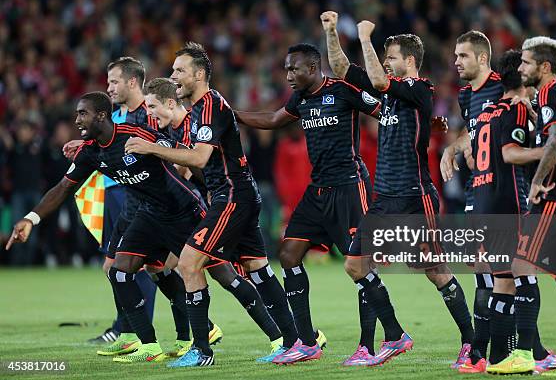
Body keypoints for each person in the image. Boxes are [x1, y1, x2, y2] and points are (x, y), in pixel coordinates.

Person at [125, 43, 297, 367]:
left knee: (188, 263)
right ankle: (293, 342)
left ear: (199, 74)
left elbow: (199, 158)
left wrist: (152, 149)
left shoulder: (209, 106)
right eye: (173, 70)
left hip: (231, 196)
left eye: (180, 70)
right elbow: (190, 163)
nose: (173, 75)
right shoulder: (197, 111)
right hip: (238, 194)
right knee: (258, 269)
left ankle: (202, 351)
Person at [6, 91, 205, 363]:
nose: (77, 120)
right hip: (148, 214)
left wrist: (213, 193)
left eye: (82, 113)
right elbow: (64, 187)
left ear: (101, 115)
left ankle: (279, 338)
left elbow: (186, 156)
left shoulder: (134, 133)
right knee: (119, 270)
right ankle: (149, 346)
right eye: (77, 114)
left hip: (182, 209)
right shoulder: (90, 152)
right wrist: (31, 218)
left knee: (225, 272)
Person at [323, 11, 473, 366]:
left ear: (409, 61)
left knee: (435, 271)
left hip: (414, 197)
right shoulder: (388, 95)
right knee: (355, 265)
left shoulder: (419, 90)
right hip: (384, 197)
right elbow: (343, 69)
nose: (386, 64)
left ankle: (470, 341)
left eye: (391, 58)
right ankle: (394, 335)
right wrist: (331, 32)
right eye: (384, 57)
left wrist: (364, 39)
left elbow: (376, 79)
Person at [235, 42, 380, 364]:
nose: (288, 75)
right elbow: (274, 119)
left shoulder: (344, 90)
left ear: (313, 68)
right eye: (286, 68)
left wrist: (422, 123)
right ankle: (307, 341)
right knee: (288, 254)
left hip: (348, 188)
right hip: (318, 191)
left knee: (359, 266)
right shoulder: (301, 97)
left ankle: (368, 346)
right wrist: (231, 115)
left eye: (293, 68)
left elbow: (384, 111)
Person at [488, 36, 556, 376]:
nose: (520, 68)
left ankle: (523, 354)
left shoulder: (549, 92)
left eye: (526, 63)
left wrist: (536, 181)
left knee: (521, 265)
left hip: (555, 194)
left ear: (544, 67)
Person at [460, 50, 556, 374]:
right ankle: (527, 355)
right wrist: (549, 151)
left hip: (483, 202)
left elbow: (474, 157)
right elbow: (510, 154)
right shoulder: (515, 110)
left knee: (501, 283)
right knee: (524, 277)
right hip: (508, 204)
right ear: (522, 78)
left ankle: (497, 358)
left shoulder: (486, 112)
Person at [440, 31, 505, 367]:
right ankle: (484, 351)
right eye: (455, 55)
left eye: (463, 56)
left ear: (482, 58)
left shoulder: (504, 85)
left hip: (503, 190)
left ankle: (496, 351)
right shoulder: (466, 96)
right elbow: (473, 131)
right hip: (475, 189)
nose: (456, 62)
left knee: (506, 274)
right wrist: (453, 148)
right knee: (484, 272)